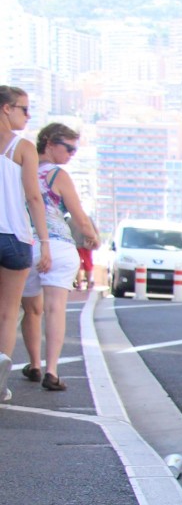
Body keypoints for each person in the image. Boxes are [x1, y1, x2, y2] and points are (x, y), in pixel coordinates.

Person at [19, 122, 98, 391]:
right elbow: (78, 215)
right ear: (50, 143)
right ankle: (51, 370)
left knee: (31, 309)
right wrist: (91, 237)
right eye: (68, 148)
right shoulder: (58, 175)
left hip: (26, 244)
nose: (71, 155)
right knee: (55, 309)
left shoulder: (21, 170)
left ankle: (34, 364)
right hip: (60, 246)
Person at [0, 86, 51, 403]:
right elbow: (34, 198)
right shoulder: (23, 148)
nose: (28, 115)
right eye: (24, 109)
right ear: (6, 108)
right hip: (14, 238)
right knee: (7, 314)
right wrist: (45, 242)